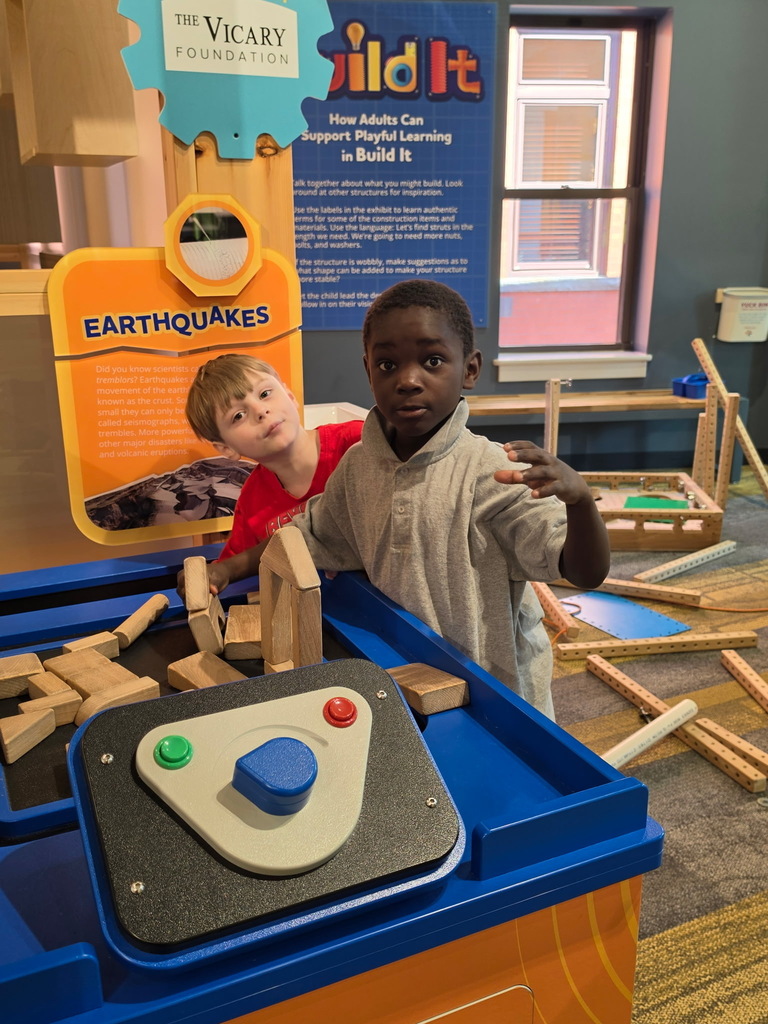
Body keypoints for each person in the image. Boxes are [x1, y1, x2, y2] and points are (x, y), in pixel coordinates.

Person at [186, 282, 610, 718]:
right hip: (401, 677)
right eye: (388, 364)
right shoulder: (357, 467)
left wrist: (580, 504)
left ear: (469, 369)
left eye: (432, 361)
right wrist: (228, 567)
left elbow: (584, 571)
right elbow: (309, 535)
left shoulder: (495, 471)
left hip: (496, 692)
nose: (408, 380)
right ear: (368, 370)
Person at [178, 353, 363, 594]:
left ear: (289, 395)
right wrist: (205, 578)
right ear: (226, 448)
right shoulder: (252, 501)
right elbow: (232, 566)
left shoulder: (358, 443)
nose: (260, 411)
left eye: (265, 394)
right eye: (238, 416)